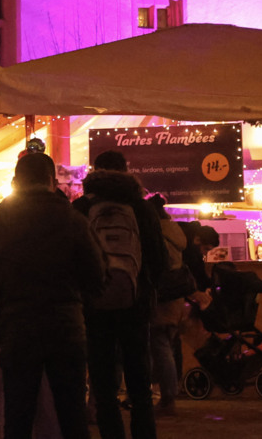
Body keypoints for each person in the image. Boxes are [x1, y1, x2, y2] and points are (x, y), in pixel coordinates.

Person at [0, 151, 105, 439]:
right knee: (72, 416)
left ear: (15, 182)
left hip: (17, 329)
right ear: (52, 181)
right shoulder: (73, 221)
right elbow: (97, 277)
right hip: (66, 328)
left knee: (18, 416)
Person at [72, 152, 166, 439]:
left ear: (94, 171)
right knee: (139, 384)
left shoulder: (80, 207)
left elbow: (74, 258)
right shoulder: (140, 207)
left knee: (103, 385)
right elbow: (159, 259)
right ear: (126, 170)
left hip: (94, 305)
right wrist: (145, 287)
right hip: (135, 303)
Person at [143, 198, 196, 418]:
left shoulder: (154, 234)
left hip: (161, 296)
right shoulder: (176, 233)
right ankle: (167, 395)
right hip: (174, 297)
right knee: (165, 344)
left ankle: (167, 397)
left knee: (160, 345)